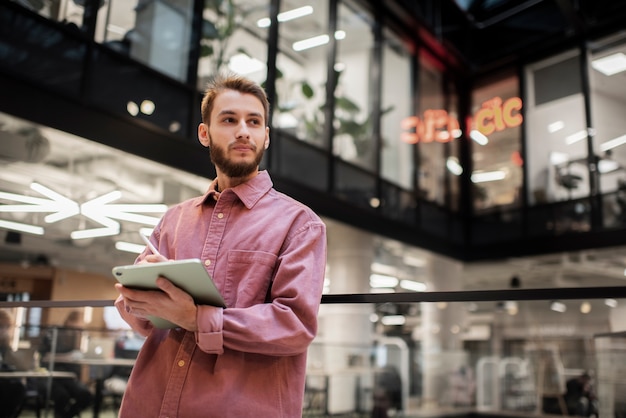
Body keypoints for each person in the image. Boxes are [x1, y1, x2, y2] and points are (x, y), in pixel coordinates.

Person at [114, 73, 327, 417]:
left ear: (266, 137)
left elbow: (294, 325)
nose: (243, 130)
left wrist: (197, 318)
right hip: (148, 404)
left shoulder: (300, 224)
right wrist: (136, 297)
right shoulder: (174, 219)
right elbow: (139, 318)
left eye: (254, 122)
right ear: (204, 133)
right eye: (229, 119)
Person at [38, 310, 94, 418]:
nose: (77, 330)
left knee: (86, 395)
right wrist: (68, 357)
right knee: (62, 396)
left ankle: (67, 416)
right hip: (52, 376)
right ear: (69, 321)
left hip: (70, 377)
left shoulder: (80, 336)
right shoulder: (53, 332)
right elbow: (44, 356)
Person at [0, 309, 27, 418]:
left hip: (4, 377)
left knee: (19, 386)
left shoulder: (4, 344)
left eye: (7, 327)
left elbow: (9, 360)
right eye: (1, 326)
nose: (4, 331)